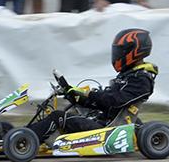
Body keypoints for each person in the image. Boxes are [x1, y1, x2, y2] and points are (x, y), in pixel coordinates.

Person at [29, 28, 157, 142]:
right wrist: (74, 95)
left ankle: (25, 140)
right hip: (101, 120)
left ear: (134, 51)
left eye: (120, 51)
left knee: (58, 117)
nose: (117, 54)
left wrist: (89, 93)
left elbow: (114, 101)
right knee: (68, 112)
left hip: (108, 130)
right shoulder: (128, 75)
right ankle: (22, 135)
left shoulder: (141, 80)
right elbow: (104, 102)